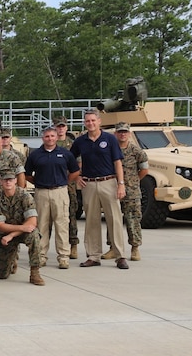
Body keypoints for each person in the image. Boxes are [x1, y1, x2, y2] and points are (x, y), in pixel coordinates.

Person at [70, 109, 129, 269]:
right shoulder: (80, 141)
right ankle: (93, 255)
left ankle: (120, 256)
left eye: (93, 120)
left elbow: (118, 162)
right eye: (87, 121)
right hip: (88, 184)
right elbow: (70, 160)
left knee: (115, 220)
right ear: (84, 123)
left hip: (108, 182)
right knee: (91, 220)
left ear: (99, 121)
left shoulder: (109, 139)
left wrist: (121, 183)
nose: (90, 123)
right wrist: (77, 177)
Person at [24, 126, 80, 269]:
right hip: (41, 192)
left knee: (62, 225)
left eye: (52, 136)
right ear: (43, 138)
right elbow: (27, 174)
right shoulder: (35, 155)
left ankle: (63, 257)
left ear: (56, 137)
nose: (50, 139)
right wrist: (38, 183)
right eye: (47, 136)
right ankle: (41, 255)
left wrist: (64, 181)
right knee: (42, 225)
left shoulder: (65, 154)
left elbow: (75, 171)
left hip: (60, 192)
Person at [103, 122, 148, 262]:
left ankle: (135, 248)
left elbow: (144, 170)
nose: (122, 134)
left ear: (129, 133)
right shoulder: (110, 150)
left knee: (133, 220)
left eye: (125, 132)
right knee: (112, 220)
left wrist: (133, 182)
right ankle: (112, 248)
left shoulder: (136, 151)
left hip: (131, 191)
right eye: (120, 132)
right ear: (115, 133)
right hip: (112, 189)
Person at [0, 170, 45, 285]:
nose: (8, 182)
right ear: (0, 182)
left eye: (10, 179)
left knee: (34, 235)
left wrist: (12, 234)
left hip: (18, 233)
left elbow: (32, 221)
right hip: (5, 234)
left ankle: (35, 273)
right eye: (5, 180)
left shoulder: (25, 196)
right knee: (2, 275)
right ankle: (11, 259)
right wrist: (20, 229)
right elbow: (0, 226)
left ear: (15, 180)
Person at [54, 116, 80, 259]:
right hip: (52, 185)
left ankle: (73, 244)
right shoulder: (49, 143)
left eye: (63, 126)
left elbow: (78, 165)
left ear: (67, 128)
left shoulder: (72, 145)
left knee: (70, 215)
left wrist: (68, 180)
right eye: (58, 126)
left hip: (68, 186)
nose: (61, 129)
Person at [0, 131, 25, 200]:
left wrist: (19, 196)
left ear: (0, 142)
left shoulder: (11, 157)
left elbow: (20, 175)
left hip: (10, 198)